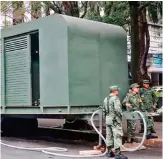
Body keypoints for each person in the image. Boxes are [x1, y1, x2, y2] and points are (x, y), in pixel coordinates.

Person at [103, 86, 128, 159]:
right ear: (115, 91)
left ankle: (109, 152)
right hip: (115, 120)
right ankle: (118, 154)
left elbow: (104, 110)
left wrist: (108, 117)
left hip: (108, 119)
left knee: (109, 136)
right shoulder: (115, 98)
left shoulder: (106, 99)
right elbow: (118, 109)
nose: (118, 92)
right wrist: (120, 117)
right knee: (117, 136)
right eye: (117, 90)